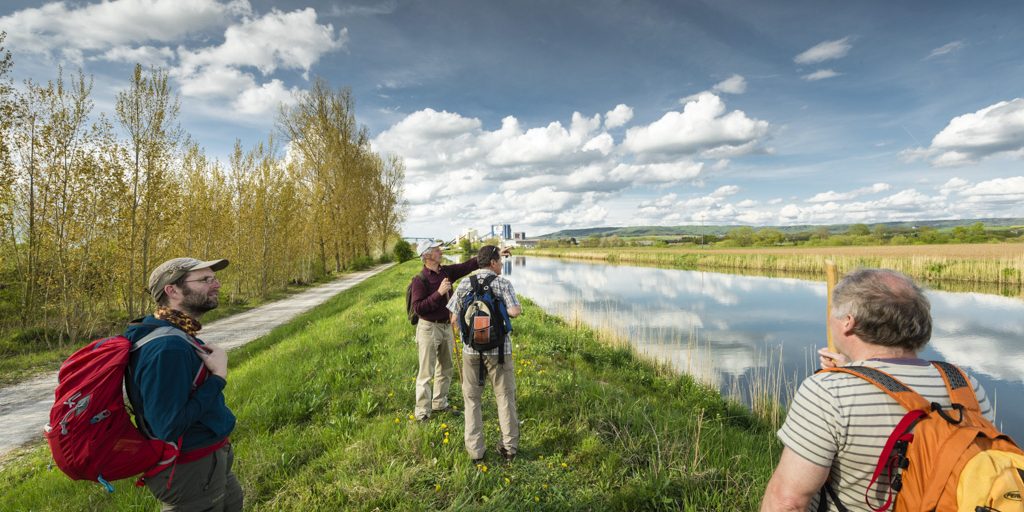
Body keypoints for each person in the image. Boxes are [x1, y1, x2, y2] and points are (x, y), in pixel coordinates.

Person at [760, 268, 993, 512]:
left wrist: (844, 379)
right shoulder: (963, 385)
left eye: (834, 313)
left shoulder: (828, 393)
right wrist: (853, 371)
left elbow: (787, 502)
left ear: (848, 322)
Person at [125, 257, 242, 511]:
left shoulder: (176, 334)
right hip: (190, 468)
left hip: (208, 460)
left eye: (214, 278)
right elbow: (168, 425)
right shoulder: (167, 347)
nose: (217, 284)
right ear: (172, 290)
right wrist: (218, 378)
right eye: (205, 280)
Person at [447, 245, 522, 463]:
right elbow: (515, 311)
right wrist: (505, 312)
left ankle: (475, 452)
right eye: (500, 260)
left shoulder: (463, 284)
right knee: (505, 398)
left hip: (471, 352)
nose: (501, 264)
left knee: (472, 400)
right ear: (492, 262)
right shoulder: (502, 283)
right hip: (499, 352)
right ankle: (509, 448)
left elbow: (453, 319)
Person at [409, 240, 482, 421]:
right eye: (436, 249)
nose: (440, 251)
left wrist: (491, 254)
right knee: (426, 372)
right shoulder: (419, 280)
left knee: (446, 367)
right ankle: (422, 413)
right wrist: (439, 293)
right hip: (428, 328)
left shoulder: (446, 272)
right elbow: (418, 308)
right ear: (427, 256)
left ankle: (439, 403)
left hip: (446, 326)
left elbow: (468, 265)